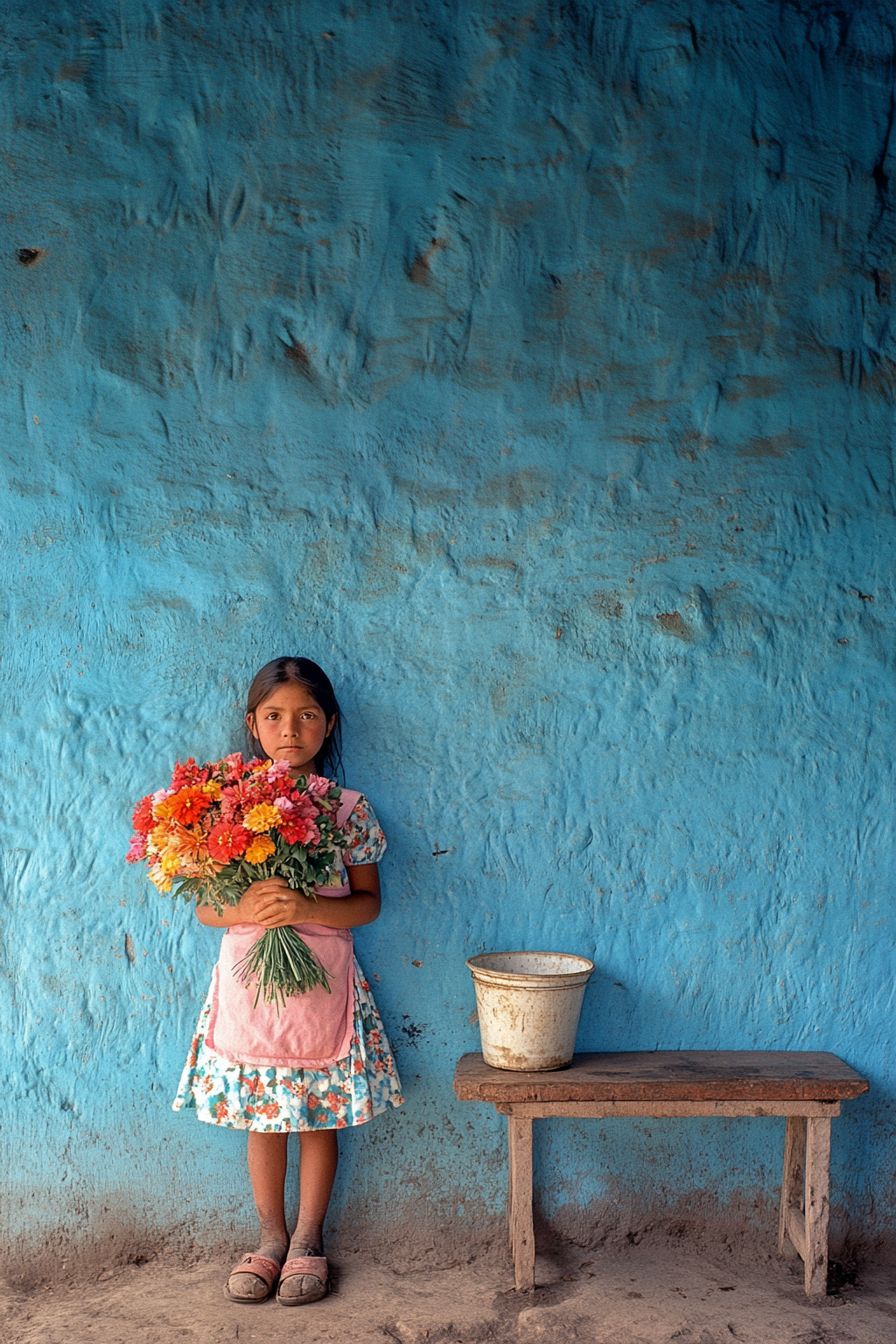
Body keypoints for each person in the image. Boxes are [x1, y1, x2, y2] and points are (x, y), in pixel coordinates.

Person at [173, 656, 403, 1306]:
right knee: (263, 1117)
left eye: (306, 715)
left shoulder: (347, 810)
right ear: (253, 723)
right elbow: (205, 906)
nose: (290, 729)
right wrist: (247, 908)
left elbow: (367, 903)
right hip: (250, 985)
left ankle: (308, 1241)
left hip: (323, 985)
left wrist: (307, 909)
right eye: (274, 716)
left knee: (316, 1116)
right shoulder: (226, 809)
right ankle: (269, 1237)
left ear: (329, 724)